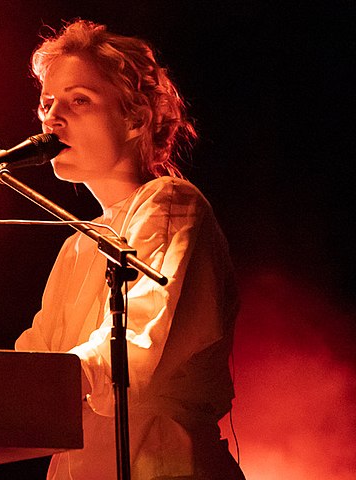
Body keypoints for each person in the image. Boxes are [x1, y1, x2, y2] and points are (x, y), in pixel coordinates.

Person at [14, 20, 246, 480]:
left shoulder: (172, 203)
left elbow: (134, 346)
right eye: (47, 102)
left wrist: (34, 387)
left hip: (161, 463)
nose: (51, 118)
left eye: (79, 99)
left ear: (136, 118)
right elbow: (37, 360)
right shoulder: (79, 243)